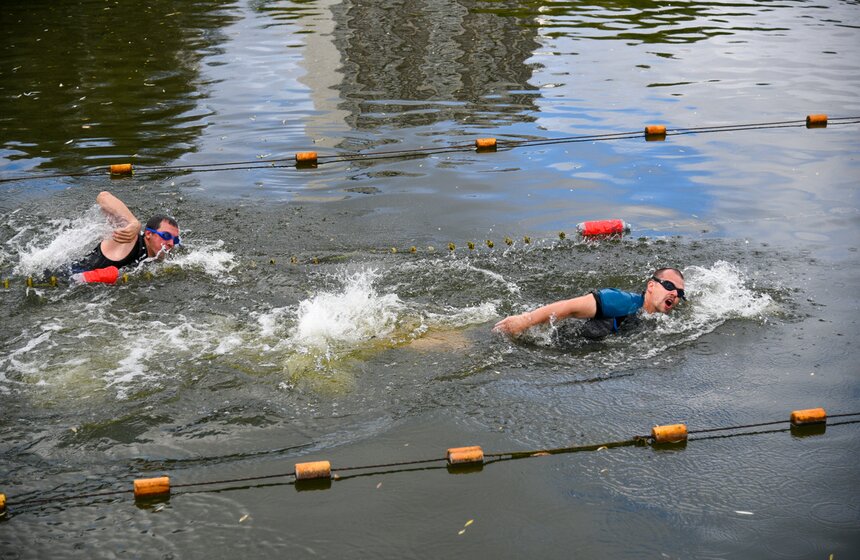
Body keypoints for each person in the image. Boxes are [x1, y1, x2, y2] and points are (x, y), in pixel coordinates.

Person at [493, 268, 685, 340]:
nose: (674, 294)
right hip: (556, 335)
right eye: (669, 286)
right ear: (651, 286)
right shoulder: (622, 302)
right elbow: (569, 307)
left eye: (680, 293)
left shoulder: (658, 323)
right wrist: (525, 320)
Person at [71, 191, 180, 277]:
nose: (171, 243)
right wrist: (134, 223)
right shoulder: (129, 238)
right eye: (166, 236)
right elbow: (103, 196)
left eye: (175, 240)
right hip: (63, 279)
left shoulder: (158, 259)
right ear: (148, 234)